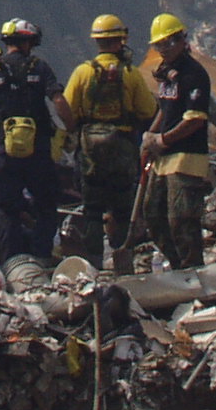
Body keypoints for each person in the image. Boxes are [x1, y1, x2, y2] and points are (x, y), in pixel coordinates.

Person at [0, 19, 72, 261]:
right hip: (39, 151)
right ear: (28, 42)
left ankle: (14, 263)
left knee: (8, 209)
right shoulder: (41, 67)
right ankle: (43, 257)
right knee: (46, 205)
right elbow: (58, 101)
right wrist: (71, 130)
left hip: (4, 153)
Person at [62, 15, 158, 270]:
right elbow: (148, 111)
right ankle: (123, 261)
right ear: (120, 40)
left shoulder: (82, 72)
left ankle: (94, 265)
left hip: (89, 149)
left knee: (92, 210)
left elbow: (67, 110)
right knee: (123, 209)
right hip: (123, 148)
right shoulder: (130, 73)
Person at [140, 14, 212, 269]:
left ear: (182, 40)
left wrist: (163, 140)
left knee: (181, 219)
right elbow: (165, 108)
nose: (164, 50)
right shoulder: (167, 74)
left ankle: (193, 270)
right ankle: (178, 267)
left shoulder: (193, 74)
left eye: (169, 43)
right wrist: (149, 137)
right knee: (153, 215)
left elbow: (195, 119)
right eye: (159, 45)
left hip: (186, 157)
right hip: (164, 157)